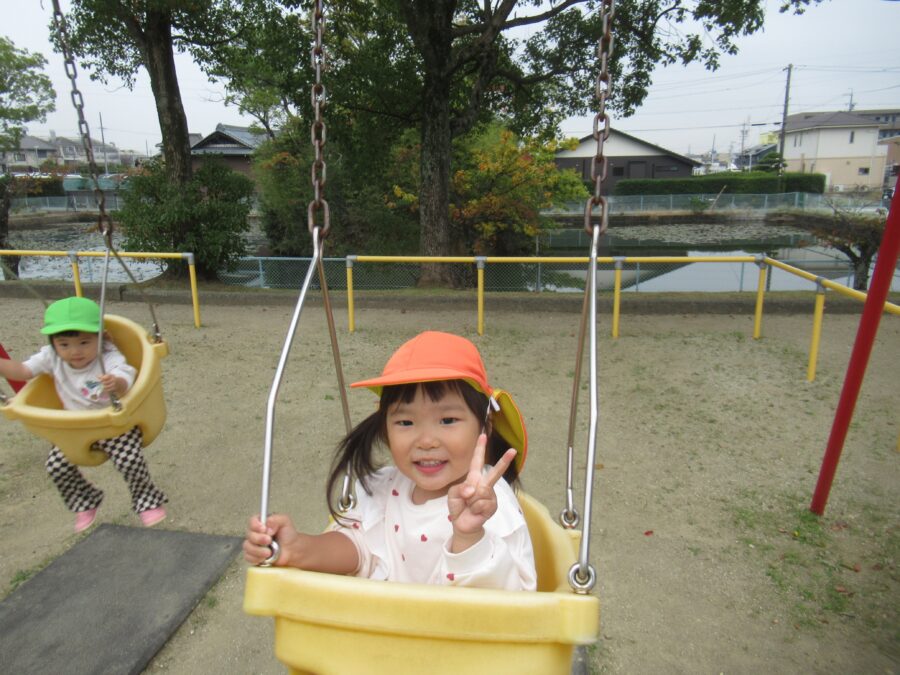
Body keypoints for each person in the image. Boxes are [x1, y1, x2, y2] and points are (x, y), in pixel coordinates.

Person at [244, 331, 537, 591]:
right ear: (385, 428)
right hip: (383, 633)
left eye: (447, 420)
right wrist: (299, 548)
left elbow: (511, 603)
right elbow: (360, 548)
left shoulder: (490, 505)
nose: (426, 440)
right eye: (405, 422)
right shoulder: (386, 487)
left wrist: (469, 536)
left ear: (485, 426)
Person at [0, 296, 167, 532]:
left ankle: (146, 500)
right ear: (53, 343)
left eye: (84, 342)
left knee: (130, 461)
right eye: (64, 344)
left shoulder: (109, 357)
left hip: (114, 426)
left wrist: (116, 384)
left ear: (102, 338)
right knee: (56, 466)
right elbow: (22, 371)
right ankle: (85, 500)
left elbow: (126, 379)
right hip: (76, 429)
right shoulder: (51, 357)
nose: (75, 351)